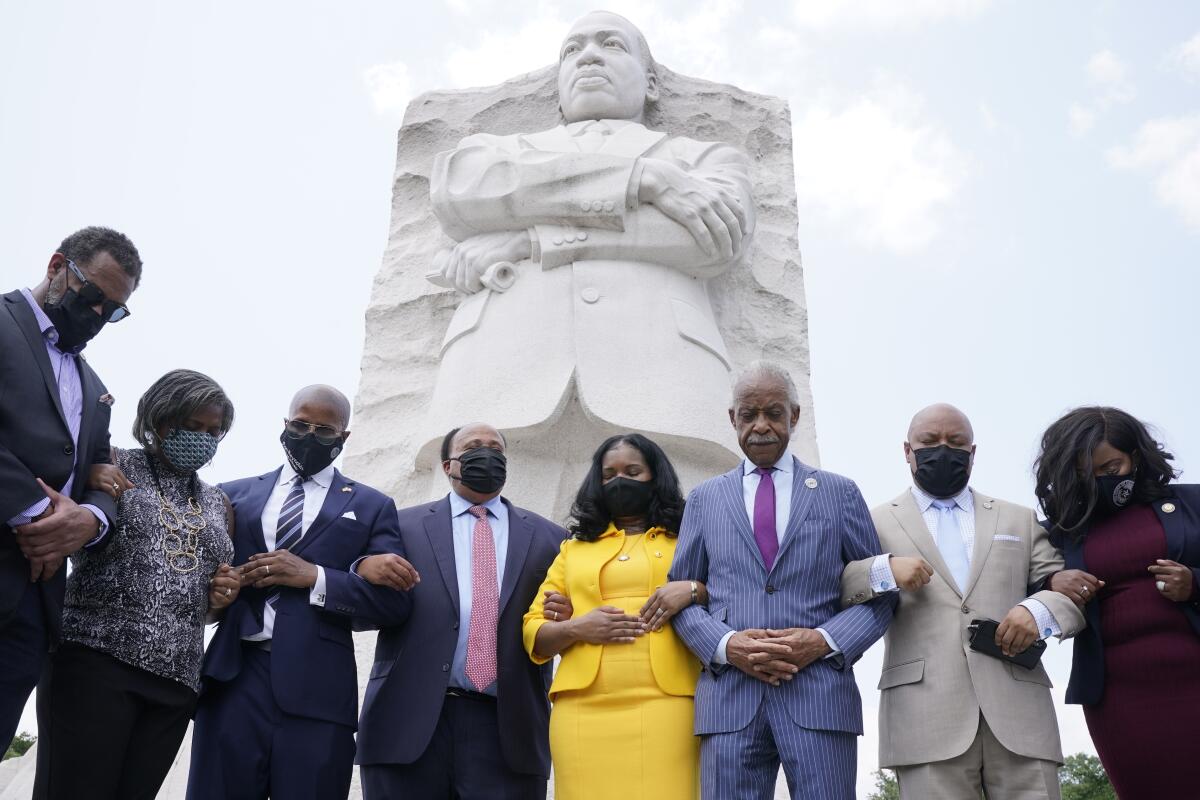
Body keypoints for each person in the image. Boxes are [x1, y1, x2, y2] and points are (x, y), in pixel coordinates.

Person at [419, 10, 757, 519]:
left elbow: (711, 239)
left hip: (664, 377)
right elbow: (464, 191)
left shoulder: (703, 157)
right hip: (502, 376)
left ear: (651, 82)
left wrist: (528, 238)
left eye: (612, 44)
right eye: (571, 49)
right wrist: (645, 181)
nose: (589, 55)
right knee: (488, 566)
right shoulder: (497, 152)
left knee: (677, 563)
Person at [668, 362, 894, 800]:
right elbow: (683, 597)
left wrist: (823, 640)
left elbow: (879, 595)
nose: (761, 426)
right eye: (749, 414)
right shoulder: (703, 499)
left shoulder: (839, 492)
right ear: (732, 419)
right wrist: (726, 646)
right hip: (730, 701)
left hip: (820, 694)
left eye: (773, 412)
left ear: (794, 415)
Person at [840, 403, 1086, 799]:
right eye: (929, 442)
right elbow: (836, 583)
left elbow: (1069, 591)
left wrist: (1037, 611)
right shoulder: (874, 521)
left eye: (955, 443)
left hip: (1020, 712)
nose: (942, 450)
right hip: (924, 719)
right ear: (907, 450)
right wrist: (884, 570)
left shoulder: (1018, 519)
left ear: (973, 453)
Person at [186, 385, 412, 800]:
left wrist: (315, 576)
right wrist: (218, 592)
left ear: (344, 438)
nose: (310, 435)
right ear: (284, 426)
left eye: (324, 430)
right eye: (300, 425)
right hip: (233, 679)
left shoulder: (373, 505)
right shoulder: (230, 495)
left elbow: (393, 605)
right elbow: (193, 586)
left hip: (320, 691)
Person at [34, 369, 239, 800]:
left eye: (213, 431)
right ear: (161, 419)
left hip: (176, 681)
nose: (202, 438)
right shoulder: (109, 463)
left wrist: (221, 599)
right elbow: (66, 521)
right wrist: (86, 477)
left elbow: (209, 602)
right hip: (95, 663)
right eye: (192, 426)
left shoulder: (220, 504)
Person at [356, 423, 566, 800]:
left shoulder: (552, 538)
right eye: (473, 446)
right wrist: (361, 568)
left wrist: (568, 616)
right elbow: (361, 613)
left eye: (495, 448)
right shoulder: (401, 525)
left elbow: (569, 622)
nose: (486, 453)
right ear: (447, 465)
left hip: (508, 730)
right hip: (408, 723)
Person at [0, 226, 141, 751]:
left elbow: (102, 471)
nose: (99, 315)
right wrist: (39, 514)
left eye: (115, 310)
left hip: (33, 607)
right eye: (93, 297)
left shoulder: (96, 387)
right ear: (58, 264)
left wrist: (89, 519)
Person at [522, 433, 704, 799]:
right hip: (582, 707)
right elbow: (534, 630)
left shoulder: (689, 537)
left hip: (667, 704)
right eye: (610, 474)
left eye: (633, 471)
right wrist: (577, 627)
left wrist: (696, 590)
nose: (620, 480)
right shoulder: (573, 549)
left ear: (656, 477)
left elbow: (736, 591)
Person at [1034, 406, 1200, 798]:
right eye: (1087, 473)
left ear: (1136, 457)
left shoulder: (1193, 504)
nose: (1102, 481)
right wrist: (1051, 579)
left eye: (1112, 468)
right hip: (1120, 698)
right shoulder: (1056, 534)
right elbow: (1016, 585)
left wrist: (1195, 584)